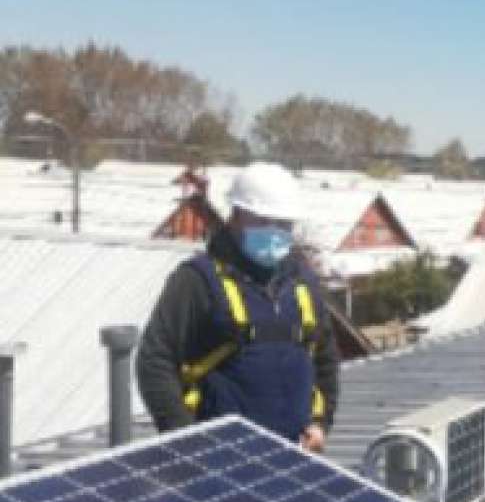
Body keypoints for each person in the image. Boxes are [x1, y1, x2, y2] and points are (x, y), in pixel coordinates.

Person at [136, 162, 338, 452]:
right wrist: (184, 440)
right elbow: (154, 361)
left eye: (283, 225)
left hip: (295, 456)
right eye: (263, 221)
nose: (275, 232)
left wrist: (321, 422)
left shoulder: (302, 283)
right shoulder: (197, 280)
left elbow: (326, 358)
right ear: (236, 217)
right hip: (219, 462)